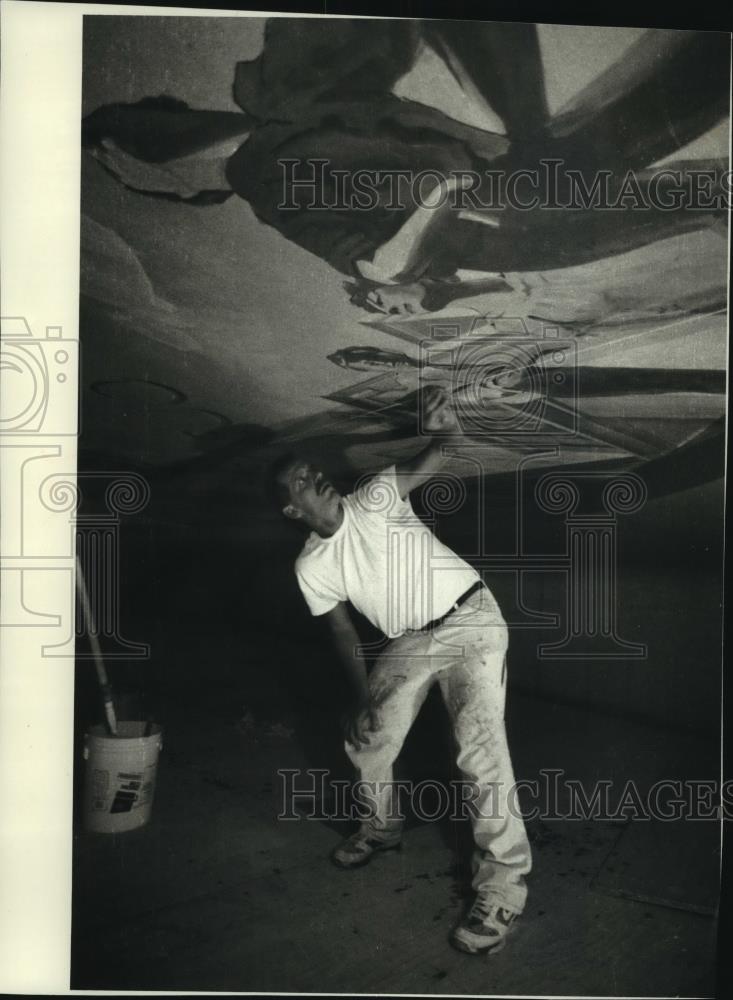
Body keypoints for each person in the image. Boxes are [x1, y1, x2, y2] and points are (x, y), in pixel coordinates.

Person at [269, 385, 532, 955]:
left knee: (478, 748)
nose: (314, 476)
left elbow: (445, 449)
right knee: (368, 738)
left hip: (470, 620)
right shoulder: (312, 564)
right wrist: (363, 698)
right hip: (410, 641)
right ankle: (381, 829)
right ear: (294, 511)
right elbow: (341, 630)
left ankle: (503, 887)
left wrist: (444, 424)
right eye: (299, 480)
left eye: (312, 468)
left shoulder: (374, 497)